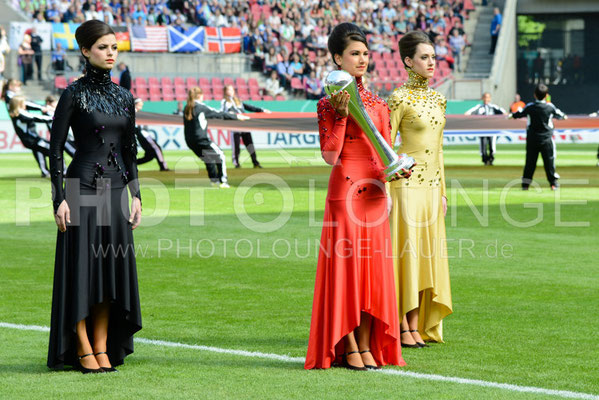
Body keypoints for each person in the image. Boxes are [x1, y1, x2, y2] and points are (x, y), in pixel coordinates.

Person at [305, 22, 406, 371]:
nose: (362, 59)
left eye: (365, 53)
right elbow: (330, 155)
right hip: (344, 192)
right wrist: (342, 116)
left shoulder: (380, 103)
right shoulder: (326, 104)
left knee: (372, 272)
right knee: (347, 270)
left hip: (375, 193)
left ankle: (365, 344)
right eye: (354, 54)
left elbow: (386, 152)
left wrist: (394, 180)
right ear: (337, 58)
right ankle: (347, 345)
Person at [47, 20, 142, 374]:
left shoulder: (124, 96)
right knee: (84, 270)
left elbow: (130, 151)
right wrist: (59, 198)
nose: (110, 53)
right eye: (103, 47)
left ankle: (102, 344)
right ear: (86, 51)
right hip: (81, 188)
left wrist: (137, 196)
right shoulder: (72, 93)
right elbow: (55, 149)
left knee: (109, 270)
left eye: (114, 48)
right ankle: (83, 345)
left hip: (116, 191)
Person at [387, 30, 453, 348]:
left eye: (433, 57)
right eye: (424, 57)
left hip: (431, 190)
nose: (431, 63)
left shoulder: (439, 99)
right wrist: (385, 190)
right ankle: (401, 324)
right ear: (408, 61)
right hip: (405, 186)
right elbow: (385, 146)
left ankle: (416, 326)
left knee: (426, 257)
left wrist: (443, 192)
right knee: (407, 256)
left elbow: (439, 149)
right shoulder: (398, 98)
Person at [183, 87, 248, 188]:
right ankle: (223, 181)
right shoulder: (201, 107)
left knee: (208, 159)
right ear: (200, 95)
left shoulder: (187, 107)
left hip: (189, 140)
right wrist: (236, 117)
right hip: (201, 139)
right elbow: (218, 114)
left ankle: (214, 181)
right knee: (220, 155)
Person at [510, 84, 566, 190]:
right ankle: (553, 184)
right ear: (546, 96)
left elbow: (519, 114)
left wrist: (511, 116)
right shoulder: (550, 107)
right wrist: (564, 117)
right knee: (549, 162)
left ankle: (525, 185)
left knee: (530, 163)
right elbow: (561, 115)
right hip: (546, 139)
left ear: (534, 95)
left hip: (532, 139)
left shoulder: (530, 106)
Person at [9, 95, 75, 177]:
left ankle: (56, 172)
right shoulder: (20, 112)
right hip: (33, 140)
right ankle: (63, 173)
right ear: (19, 104)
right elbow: (36, 118)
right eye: (23, 102)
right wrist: (54, 117)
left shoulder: (17, 113)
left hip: (32, 140)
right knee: (55, 152)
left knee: (52, 151)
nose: (25, 104)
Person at [220, 85, 269, 169]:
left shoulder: (238, 101)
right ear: (225, 92)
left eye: (232, 90)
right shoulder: (225, 101)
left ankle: (255, 162)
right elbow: (225, 111)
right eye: (228, 90)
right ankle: (236, 163)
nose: (230, 92)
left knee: (250, 144)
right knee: (236, 146)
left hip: (244, 125)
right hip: (235, 125)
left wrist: (262, 110)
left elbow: (250, 107)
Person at [465, 93, 506, 165]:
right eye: (485, 97)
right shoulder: (479, 107)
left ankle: (491, 158)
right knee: (483, 144)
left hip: (492, 129)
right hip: (482, 129)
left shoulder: (493, 107)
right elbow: (468, 112)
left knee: (491, 144)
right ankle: (484, 159)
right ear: (482, 98)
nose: (486, 99)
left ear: (490, 98)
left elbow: (503, 112)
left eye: (488, 97)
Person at [134, 98, 168, 171]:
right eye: (140, 103)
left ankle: (132, 164)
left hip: (142, 135)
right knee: (157, 148)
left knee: (149, 156)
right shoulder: (135, 112)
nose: (142, 104)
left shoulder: (134, 112)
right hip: (143, 134)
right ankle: (163, 167)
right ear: (136, 104)